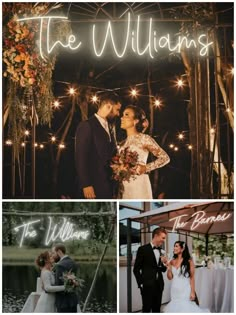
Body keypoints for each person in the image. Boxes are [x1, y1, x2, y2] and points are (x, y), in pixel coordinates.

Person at [75, 93, 121, 199]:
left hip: (108, 185)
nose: (118, 114)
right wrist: (86, 184)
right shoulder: (86, 125)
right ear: (108, 106)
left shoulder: (111, 128)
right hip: (92, 186)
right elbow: (80, 157)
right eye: (117, 110)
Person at [119, 105, 170, 199]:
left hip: (139, 184)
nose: (122, 118)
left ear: (136, 121)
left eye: (126, 115)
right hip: (124, 186)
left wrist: (146, 167)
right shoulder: (123, 143)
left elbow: (165, 158)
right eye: (122, 115)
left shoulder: (144, 139)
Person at [163, 241, 210, 313]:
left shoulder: (189, 261)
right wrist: (169, 268)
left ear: (182, 249)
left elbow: (192, 278)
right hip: (174, 289)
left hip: (185, 289)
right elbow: (170, 278)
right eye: (174, 246)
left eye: (176, 246)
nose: (174, 248)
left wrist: (193, 292)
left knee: (185, 307)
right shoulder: (172, 261)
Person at [133, 227, 167, 312]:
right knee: (146, 309)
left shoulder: (161, 251)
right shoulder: (143, 249)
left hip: (159, 285)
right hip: (147, 285)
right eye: (163, 238)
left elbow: (163, 270)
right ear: (156, 236)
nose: (164, 240)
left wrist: (164, 263)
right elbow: (136, 269)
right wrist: (141, 283)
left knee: (157, 309)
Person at [51, 243, 79, 313]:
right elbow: (75, 281)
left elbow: (58, 285)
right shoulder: (73, 263)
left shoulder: (60, 265)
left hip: (63, 303)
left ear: (59, 252)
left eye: (54, 253)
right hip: (73, 301)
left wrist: (48, 286)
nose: (53, 255)